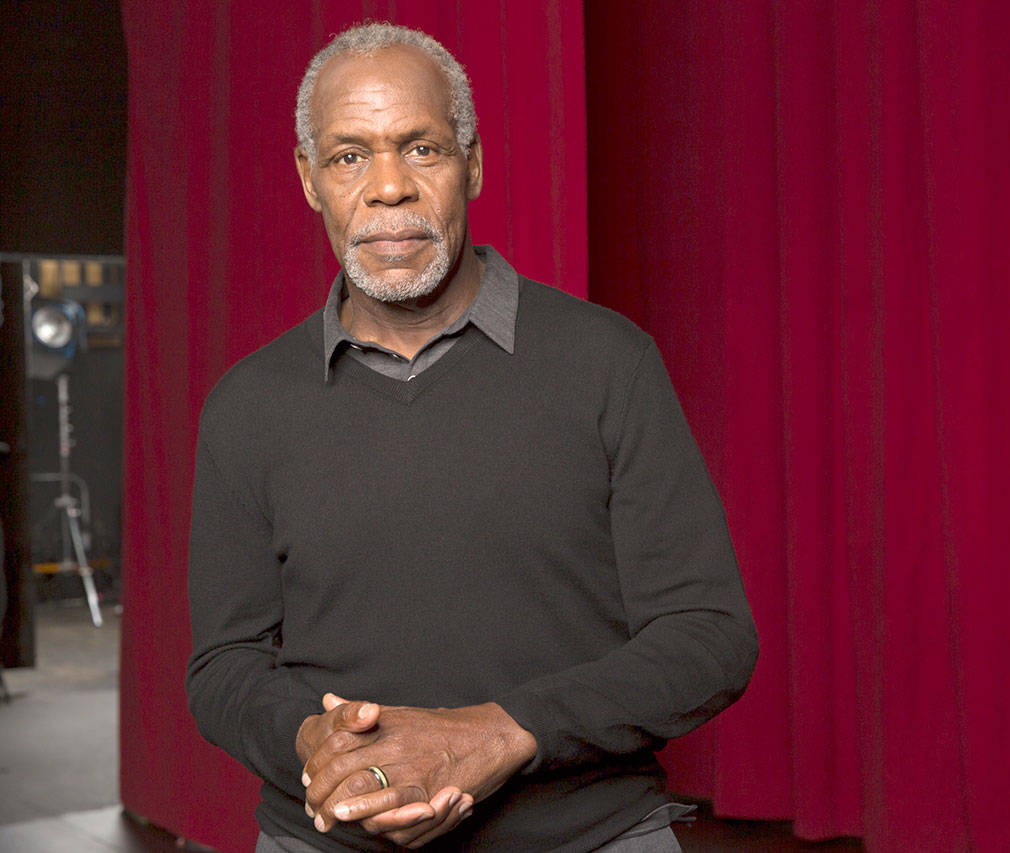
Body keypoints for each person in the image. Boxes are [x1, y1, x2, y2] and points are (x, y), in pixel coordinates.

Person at [185, 22, 757, 853]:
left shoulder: (609, 362)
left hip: (588, 834)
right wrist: (319, 745)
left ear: (474, 164)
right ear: (310, 179)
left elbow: (710, 636)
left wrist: (498, 733)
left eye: (421, 148)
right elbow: (224, 664)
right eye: (349, 156)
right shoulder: (246, 406)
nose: (389, 187)